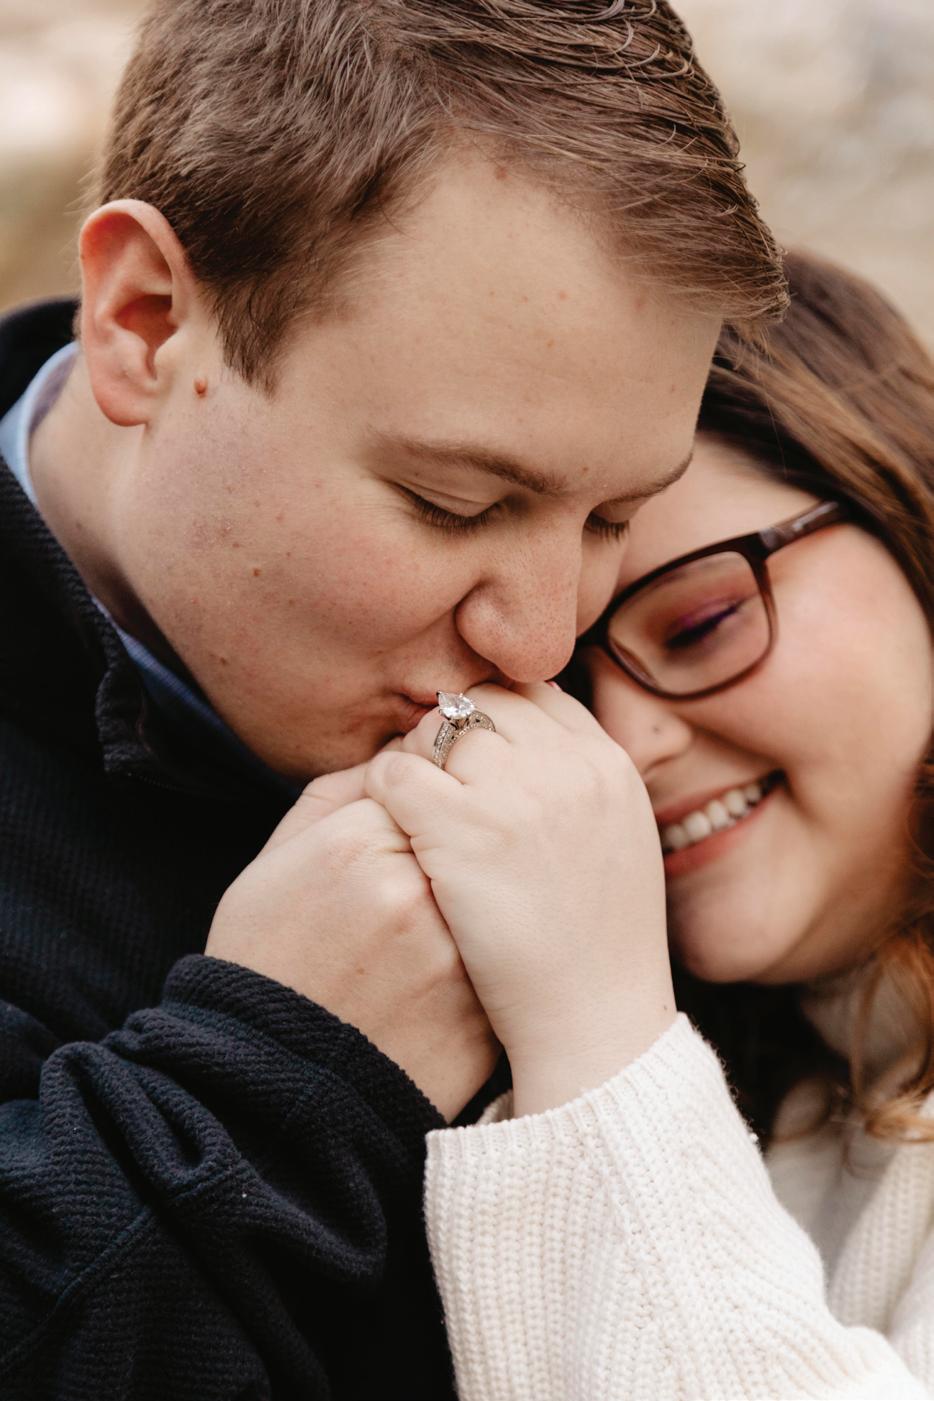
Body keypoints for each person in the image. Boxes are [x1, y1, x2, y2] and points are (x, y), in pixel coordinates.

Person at [0, 1, 789, 1397]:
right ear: (146, 323)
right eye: (453, 503)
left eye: (615, 517)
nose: (539, 643)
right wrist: (264, 1086)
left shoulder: (644, 683)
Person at [357, 251, 933, 1398]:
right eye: (561, 696)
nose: (623, 744)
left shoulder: (609, 1039)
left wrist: (595, 1035)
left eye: (702, 621)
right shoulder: (780, 1080)